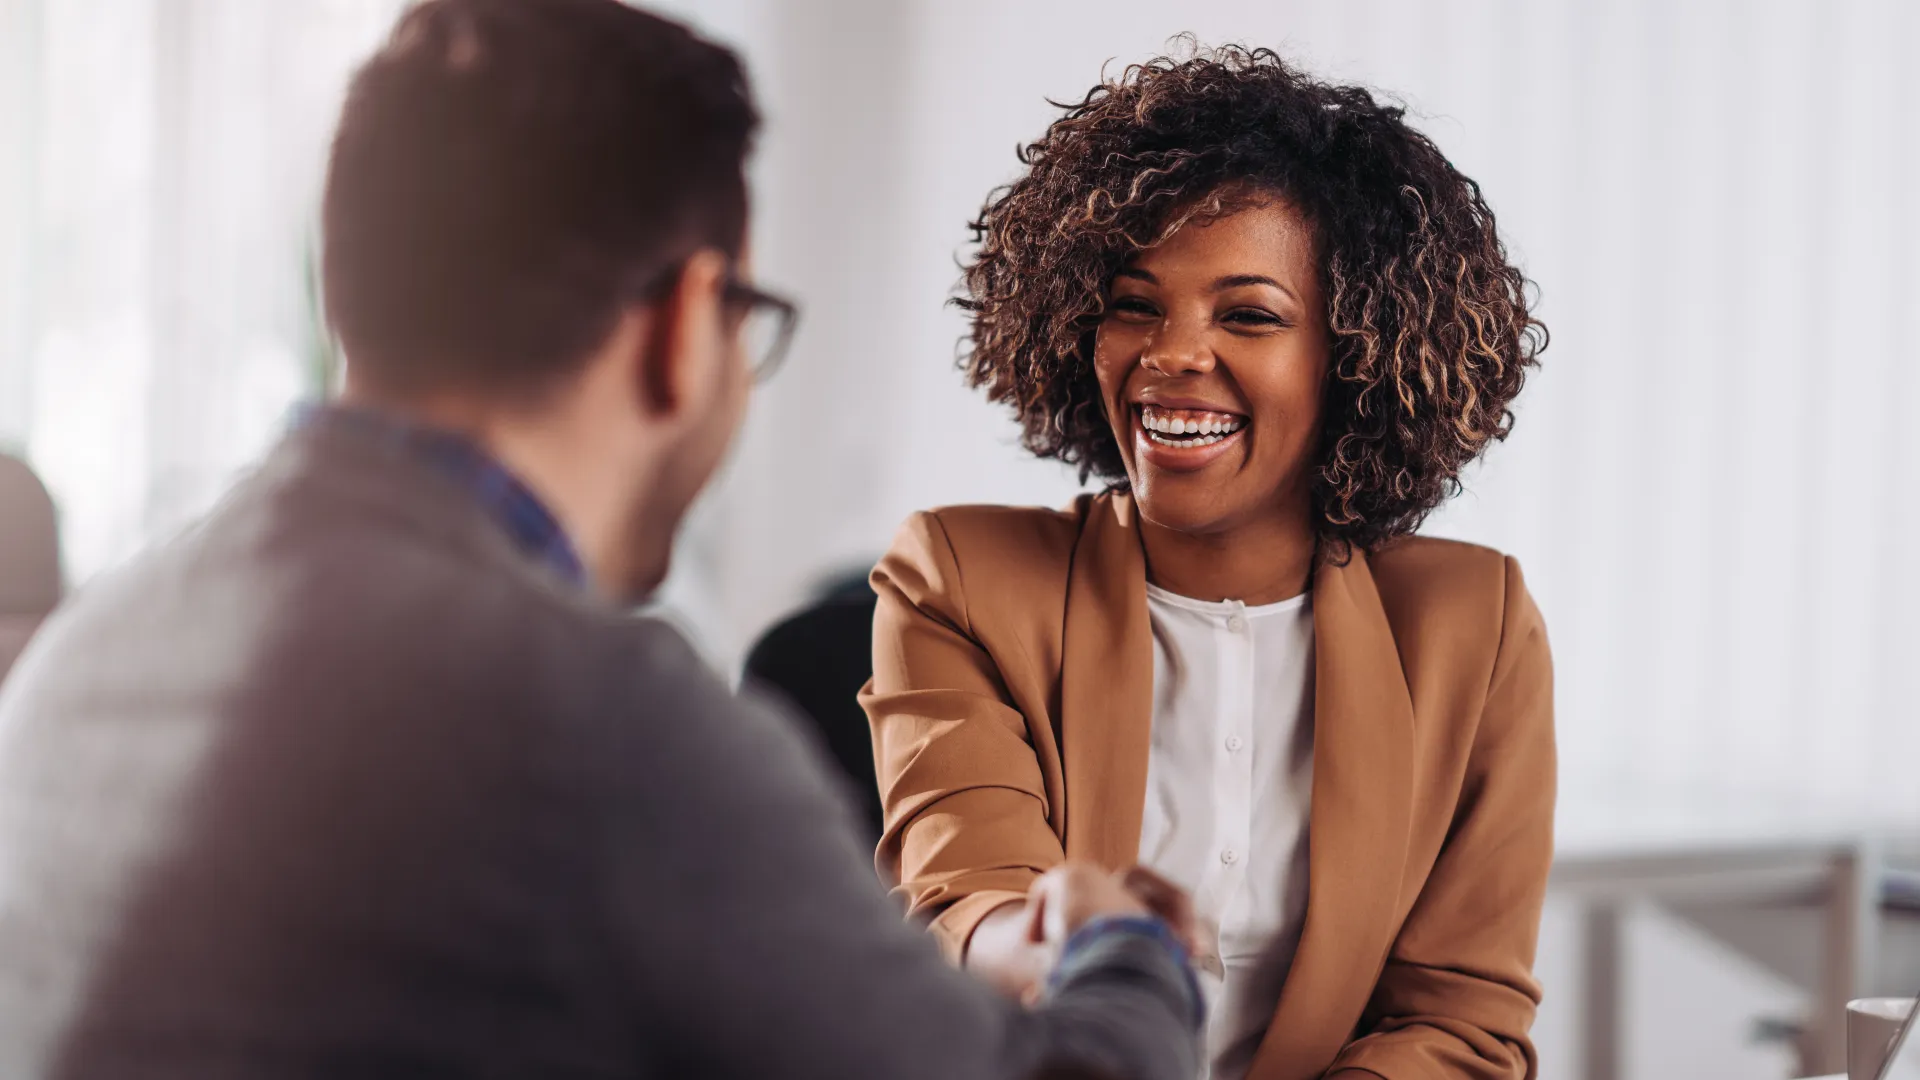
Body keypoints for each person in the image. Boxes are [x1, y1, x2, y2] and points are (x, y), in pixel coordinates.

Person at [0, 2, 1204, 1078]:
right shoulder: (600, 720)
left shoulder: (85, 653)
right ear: (688, 321)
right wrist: (1128, 950)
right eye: (748, 319)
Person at [864, 44, 1553, 1080]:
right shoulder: (959, 576)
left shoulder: (1473, 624)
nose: (1171, 354)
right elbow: (969, 899)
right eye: (1136, 304)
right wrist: (1064, 939)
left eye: (1249, 316)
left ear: (1357, 354)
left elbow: (1459, 1022)